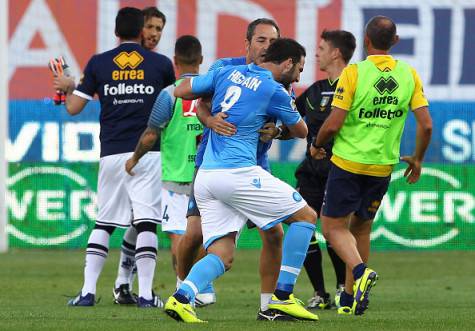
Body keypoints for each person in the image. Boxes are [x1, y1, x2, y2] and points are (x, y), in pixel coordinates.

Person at [164, 38, 320, 323]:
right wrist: (277, 129)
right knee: (306, 217)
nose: (298, 76)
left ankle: (182, 297)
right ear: (286, 63)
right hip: (237, 174)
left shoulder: (225, 72)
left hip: (206, 177)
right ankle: (282, 298)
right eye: (298, 68)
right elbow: (301, 130)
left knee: (223, 254)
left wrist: (210, 118)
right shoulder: (275, 90)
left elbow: (181, 89)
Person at [53, 7, 175, 308]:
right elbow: (172, 105)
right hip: (149, 152)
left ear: (116, 32)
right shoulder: (160, 64)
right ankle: (146, 294)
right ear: (141, 31)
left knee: (104, 223)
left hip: (111, 152)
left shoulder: (99, 63)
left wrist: (66, 88)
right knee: (147, 223)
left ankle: (88, 292)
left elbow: (72, 108)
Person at [311, 16, 432, 315]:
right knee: (361, 229)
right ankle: (349, 299)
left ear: (366, 42)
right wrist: (417, 159)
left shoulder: (354, 73)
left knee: (332, 227)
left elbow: (334, 122)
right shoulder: (409, 74)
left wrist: (317, 144)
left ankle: (361, 271)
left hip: (348, 163)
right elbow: (426, 126)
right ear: (395, 42)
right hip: (382, 167)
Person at [175, 18, 288, 315]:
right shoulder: (224, 67)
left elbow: (290, 122)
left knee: (275, 234)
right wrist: (210, 120)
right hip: (213, 164)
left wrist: (277, 132)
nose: (266, 47)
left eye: (272, 42)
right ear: (247, 43)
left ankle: (269, 305)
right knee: (195, 234)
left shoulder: (279, 77)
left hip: (255, 166)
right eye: (261, 40)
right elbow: (199, 103)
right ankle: (183, 286)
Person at [124, 34, 203, 295]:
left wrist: (134, 159)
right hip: (206, 175)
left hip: (175, 177)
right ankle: (202, 288)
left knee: (179, 235)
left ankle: (185, 290)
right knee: (202, 234)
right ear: (201, 60)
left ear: (175, 61)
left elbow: (150, 135)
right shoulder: (211, 91)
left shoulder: (169, 95)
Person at [112, 6, 170, 305]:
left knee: (139, 220)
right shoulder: (123, 65)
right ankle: (131, 287)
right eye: (150, 27)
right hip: (127, 152)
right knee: (144, 219)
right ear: (137, 30)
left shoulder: (160, 66)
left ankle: (123, 284)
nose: (154, 34)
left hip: (154, 153)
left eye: (159, 29)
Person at [294, 30, 356, 309]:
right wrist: (276, 130)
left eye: (321, 48)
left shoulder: (356, 84)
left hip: (340, 170)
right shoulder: (315, 90)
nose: (316, 53)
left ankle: (345, 286)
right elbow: (291, 118)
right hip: (310, 171)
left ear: (336, 53)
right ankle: (320, 293)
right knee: (302, 225)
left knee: (334, 230)